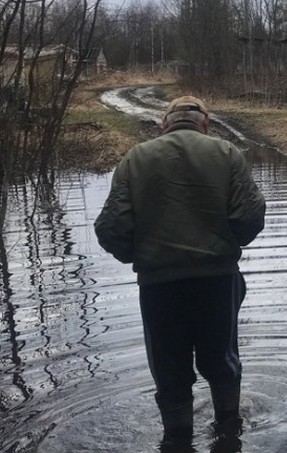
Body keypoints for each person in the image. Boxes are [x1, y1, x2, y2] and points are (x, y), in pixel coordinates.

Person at [94, 95, 266, 449]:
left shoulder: (135, 159)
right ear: (206, 123)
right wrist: (223, 247)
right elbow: (250, 217)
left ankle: (176, 439)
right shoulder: (227, 154)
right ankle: (229, 432)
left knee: (170, 377)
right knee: (222, 363)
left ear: (163, 124)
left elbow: (110, 228)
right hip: (217, 283)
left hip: (159, 288)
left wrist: (143, 256)